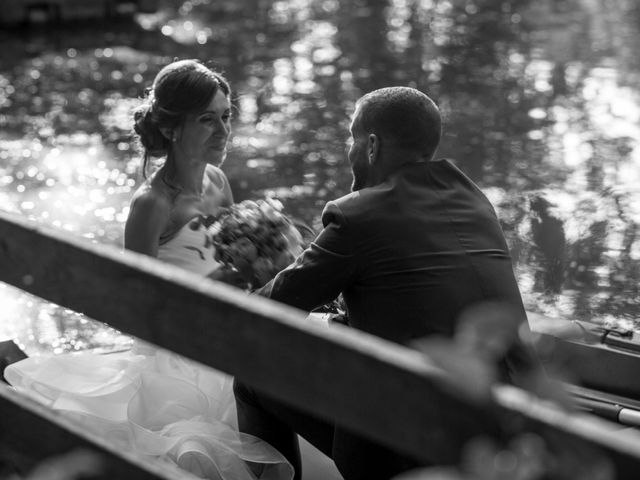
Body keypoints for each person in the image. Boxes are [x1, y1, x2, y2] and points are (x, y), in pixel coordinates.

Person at [5, 59, 293, 480]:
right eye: (207, 120)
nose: (224, 131)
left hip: (227, 331)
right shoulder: (152, 205)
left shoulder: (217, 181)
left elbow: (233, 257)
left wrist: (265, 263)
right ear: (173, 128)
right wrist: (223, 281)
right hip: (177, 353)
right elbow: (138, 310)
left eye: (226, 116)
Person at [234, 87, 541, 480]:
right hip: (512, 430)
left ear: (373, 146)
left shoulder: (357, 216)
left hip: (407, 445)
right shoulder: (476, 203)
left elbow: (270, 307)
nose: (350, 150)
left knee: (251, 376)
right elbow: (415, 303)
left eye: (352, 138)